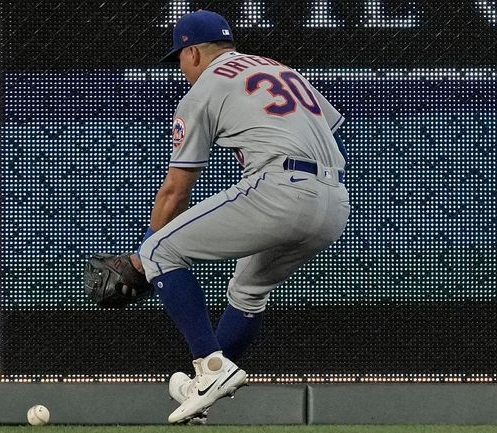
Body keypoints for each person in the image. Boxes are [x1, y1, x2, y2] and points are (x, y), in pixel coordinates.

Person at [130, 10, 351, 424]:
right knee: (249, 291)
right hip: (334, 200)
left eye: (179, 58)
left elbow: (175, 191)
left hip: (281, 189)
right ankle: (204, 392)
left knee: (159, 248)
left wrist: (143, 257)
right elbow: (330, 125)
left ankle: (210, 366)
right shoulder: (280, 68)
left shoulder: (203, 89)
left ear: (194, 52)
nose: (181, 68)